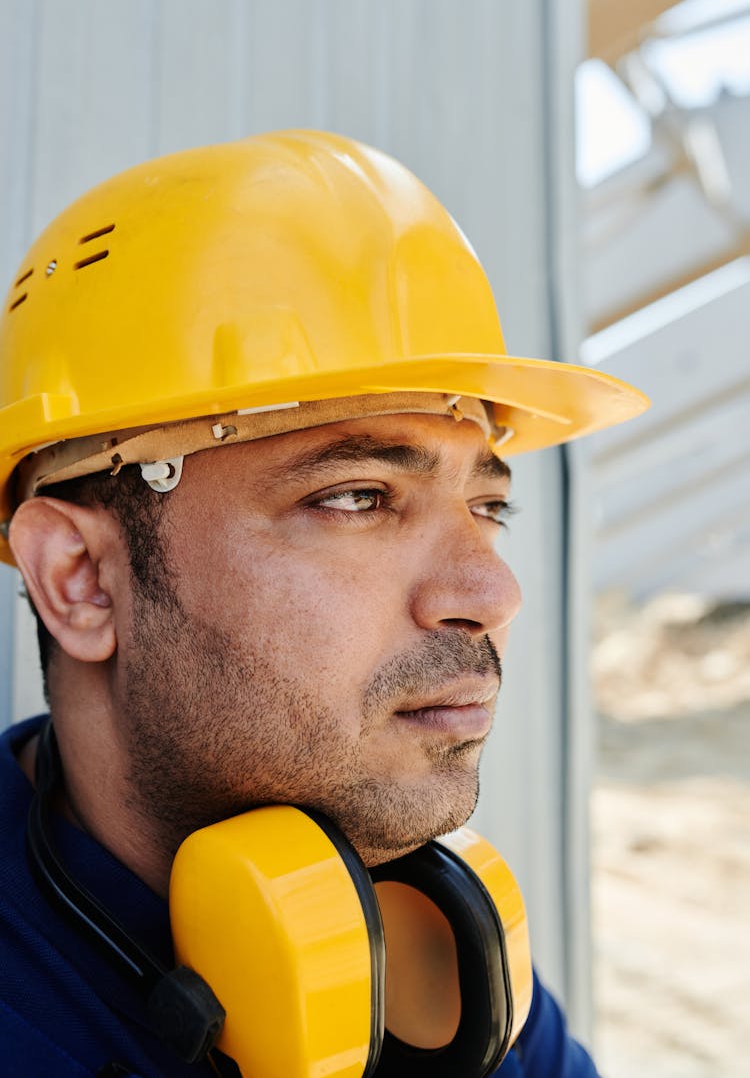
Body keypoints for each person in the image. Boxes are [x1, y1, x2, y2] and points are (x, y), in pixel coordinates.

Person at [0, 131, 647, 1077]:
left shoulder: (431, 943)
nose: (491, 593)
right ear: (80, 578)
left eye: (488, 504)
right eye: (356, 498)